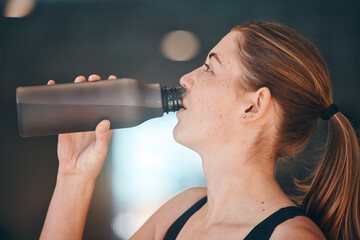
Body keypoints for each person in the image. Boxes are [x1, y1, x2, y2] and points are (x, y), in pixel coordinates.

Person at [39, 22, 360, 240]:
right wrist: (74, 177)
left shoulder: (291, 237)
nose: (186, 79)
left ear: (254, 106)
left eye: (209, 67)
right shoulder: (180, 212)